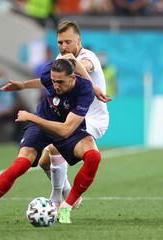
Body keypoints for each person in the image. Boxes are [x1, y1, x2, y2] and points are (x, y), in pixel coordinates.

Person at [0, 58, 107, 225]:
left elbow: (65, 130)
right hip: (41, 125)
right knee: (21, 164)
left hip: (66, 127)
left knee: (94, 157)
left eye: (61, 82)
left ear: (73, 78)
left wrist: (32, 117)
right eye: (54, 81)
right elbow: (43, 81)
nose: (55, 86)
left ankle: (66, 207)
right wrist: (23, 85)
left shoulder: (85, 90)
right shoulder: (51, 74)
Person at [37, 20, 110, 209]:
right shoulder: (62, 59)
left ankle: (55, 200)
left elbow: (85, 66)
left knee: (55, 147)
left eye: (68, 42)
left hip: (93, 118)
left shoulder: (89, 57)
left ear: (79, 40)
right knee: (44, 162)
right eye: (60, 42)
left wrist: (73, 62)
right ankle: (68, 191)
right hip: (74, 116)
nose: (63, 46)